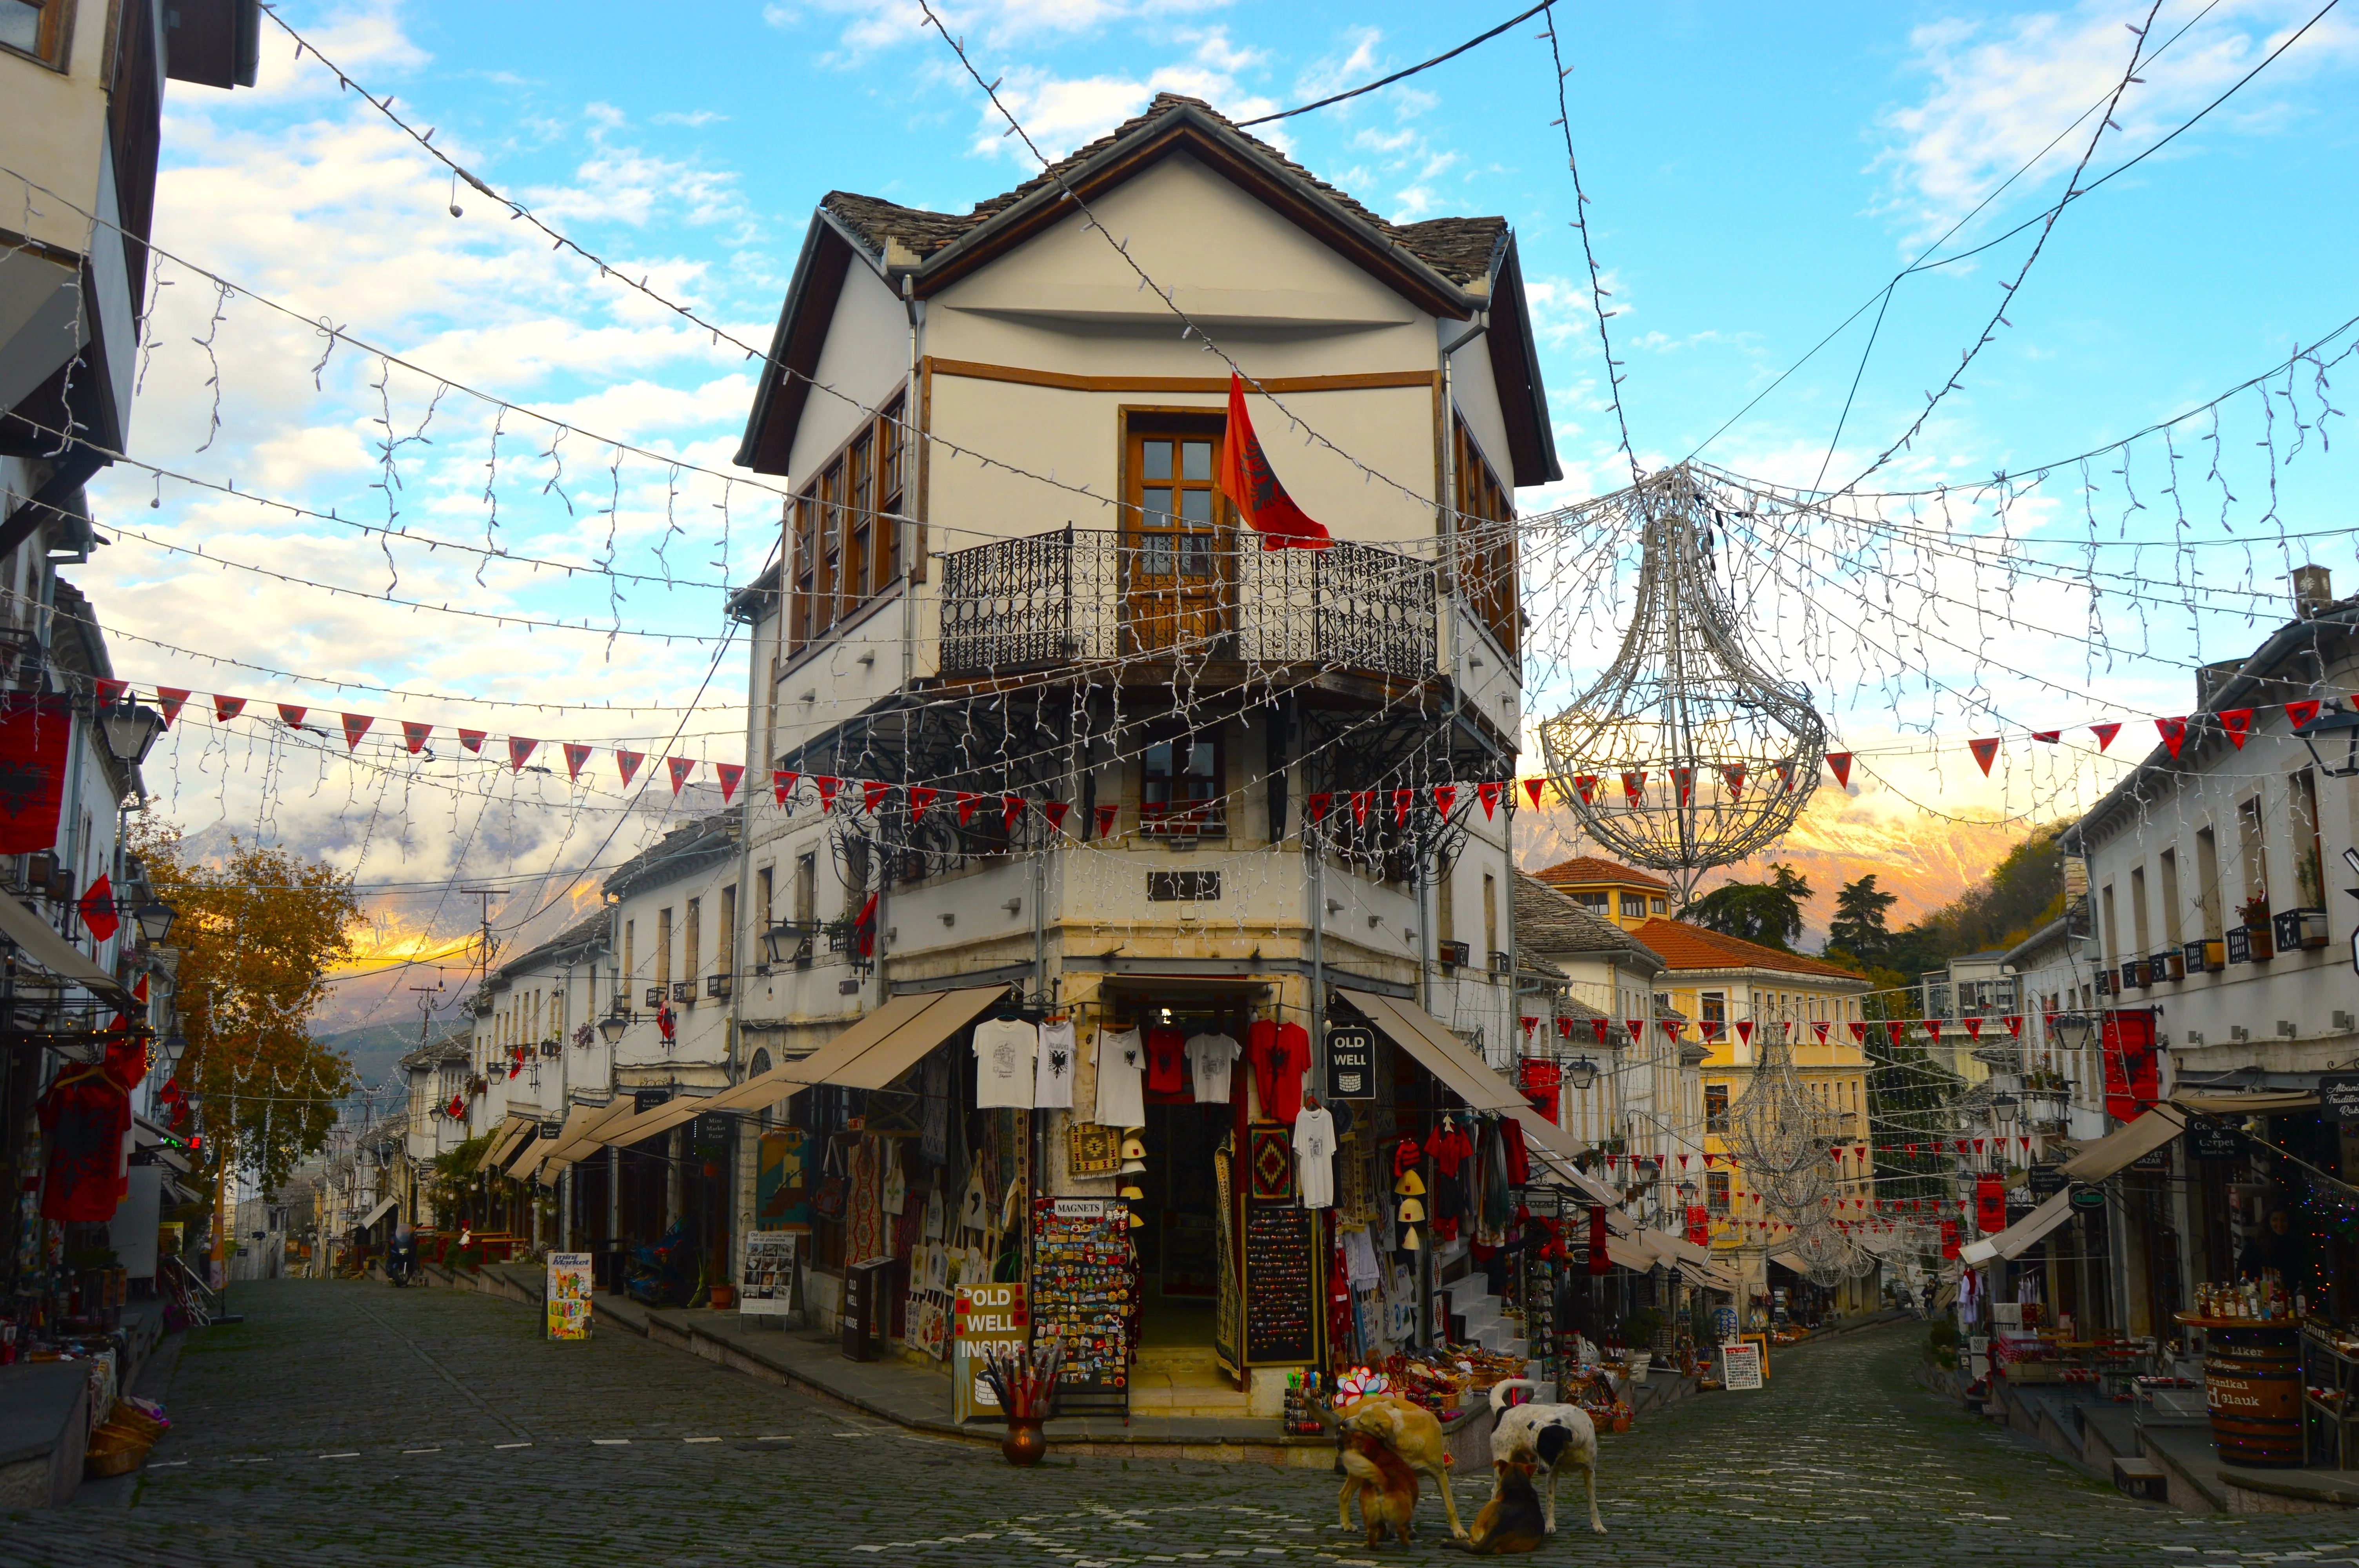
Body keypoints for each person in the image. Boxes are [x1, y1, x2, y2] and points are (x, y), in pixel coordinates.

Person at [2238, 1205, 2309, 1292]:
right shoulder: (2257, 1244)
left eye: (2284, 1220)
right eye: (2275, 1220)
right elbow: (2243, 1270)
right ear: (2269, 1222)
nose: (2280, 1225)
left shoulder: (2298, 1243)